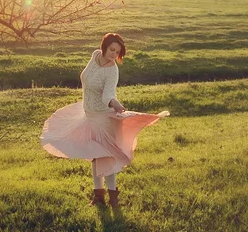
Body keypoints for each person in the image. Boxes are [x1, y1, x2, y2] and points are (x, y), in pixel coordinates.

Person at [40, 33, 169, 208]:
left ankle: (113, 197)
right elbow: (86, 78)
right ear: (104, 47)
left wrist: (114, 102)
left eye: (117, 52)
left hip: (102, 118)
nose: (114, 54)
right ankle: (98, 196)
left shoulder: (112, 70)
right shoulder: (95, 56)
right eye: (112, 50)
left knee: (106, 157)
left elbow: (109, 93)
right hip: (88, 115)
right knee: (94, 157)